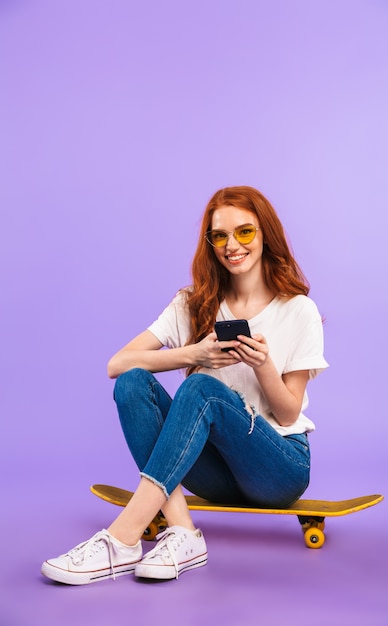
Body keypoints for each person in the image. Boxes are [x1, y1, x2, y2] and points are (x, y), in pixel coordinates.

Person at [41, 185, 328, 585]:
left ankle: (121, 538)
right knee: (133, 382)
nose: (232, 245)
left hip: (278, 469)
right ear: (210, 243)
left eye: (244, 232)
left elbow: (288, 412)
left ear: (265, 234)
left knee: (199, 390)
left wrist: (264, 366)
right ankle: (183, 533)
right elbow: (116, 364)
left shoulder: (298, 310)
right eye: (220, 236)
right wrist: (194, 354)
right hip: (212, 473)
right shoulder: (193, 303)